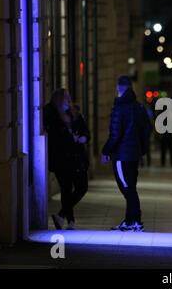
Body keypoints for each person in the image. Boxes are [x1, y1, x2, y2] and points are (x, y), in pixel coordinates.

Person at [101, 76, 151, 232]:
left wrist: (106, 150)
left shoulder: (119, 107)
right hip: (133, 155)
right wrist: (142, 150)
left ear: (119, 88)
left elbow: (116, 133)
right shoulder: (139, 107)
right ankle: (130, 221)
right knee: (130, 187)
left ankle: (135, 220)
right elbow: (146, 131)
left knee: (127, 189)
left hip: (122, 156)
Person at [44, 89, 90, 230]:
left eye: (69, 99)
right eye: (65, 99)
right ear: (58, 100)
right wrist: (71, 139)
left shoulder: (75, 114)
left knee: (82, 187)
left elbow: (86, 131)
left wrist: (83, 138)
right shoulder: (51, 114)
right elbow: (54, 137)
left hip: (77, 158)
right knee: (66, 189)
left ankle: (61, 215)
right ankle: (70, 221)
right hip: (61, 159)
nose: (68, 102)